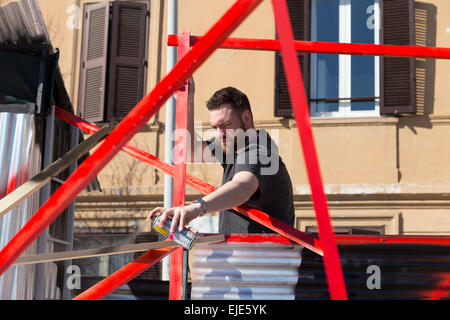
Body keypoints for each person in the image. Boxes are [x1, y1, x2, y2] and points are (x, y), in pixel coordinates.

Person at [147, 78, 295, 234]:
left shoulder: (259, 150)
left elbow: (242, 187)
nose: (219, 134)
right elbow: (187, 152)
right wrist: (187, 102)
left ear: (246, 118)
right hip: (244, 253)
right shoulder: (232, 147)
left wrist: (197, 207)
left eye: (225, 125)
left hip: (265, 255)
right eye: (215, 127)